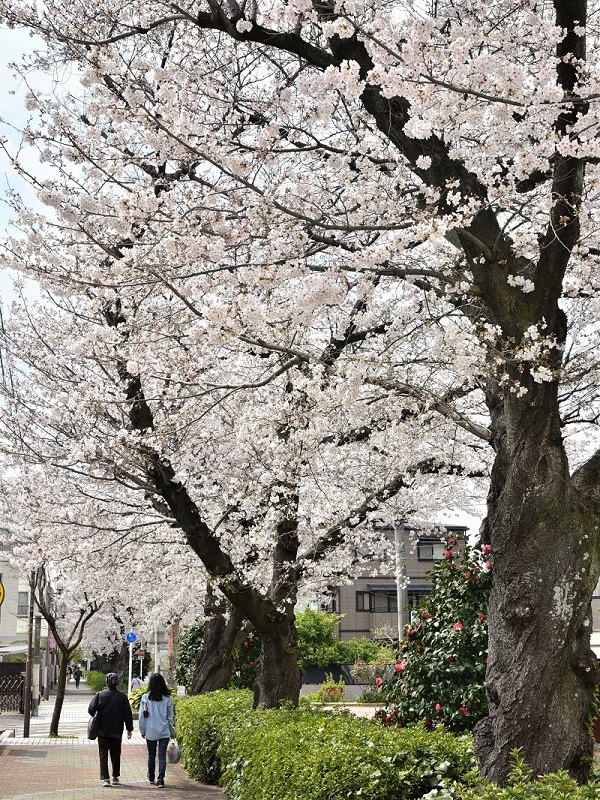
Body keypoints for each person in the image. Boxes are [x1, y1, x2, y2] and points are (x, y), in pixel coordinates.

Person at [88, 673, 134, 787]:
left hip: (102, 730)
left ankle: (105, 778)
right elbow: (128, 714)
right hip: (117, 731)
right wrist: (129, 729)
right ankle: (115, 777)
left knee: (103, 754)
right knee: (116, 754)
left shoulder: (100, 695)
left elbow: (91, 711)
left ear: (106, 682)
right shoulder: (122, 697)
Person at [139, 673, 175, 788]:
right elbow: (170, 717)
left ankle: (151, 776)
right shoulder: (168, 698)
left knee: (151, 755)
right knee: (162, 756)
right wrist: (172, 730)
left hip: (150, 731)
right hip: (164, 731)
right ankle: (160, 779)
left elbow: (142, 716)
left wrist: (142, 730)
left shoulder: (146, 698)